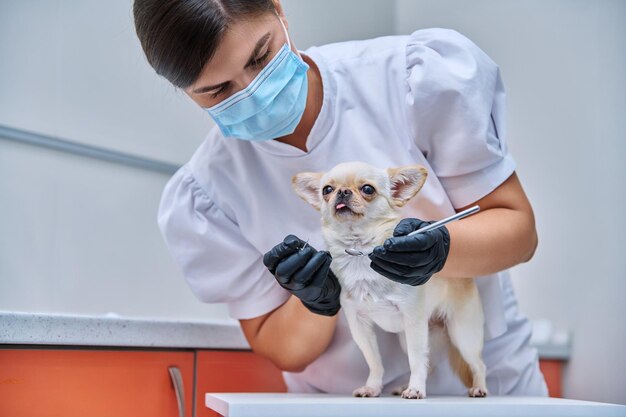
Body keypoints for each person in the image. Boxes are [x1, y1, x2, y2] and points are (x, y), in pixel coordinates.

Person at [133, 0, 549, 396]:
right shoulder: (209, 192)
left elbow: (518, 231)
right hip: (347, 400)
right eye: (218, 90)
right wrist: (313, 301)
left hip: (488, 386)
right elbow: (281, 348)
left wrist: (440, 251)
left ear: (279, 9)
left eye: (260, 57)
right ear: (184, 90)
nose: (254, 92)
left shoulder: (409, 81)